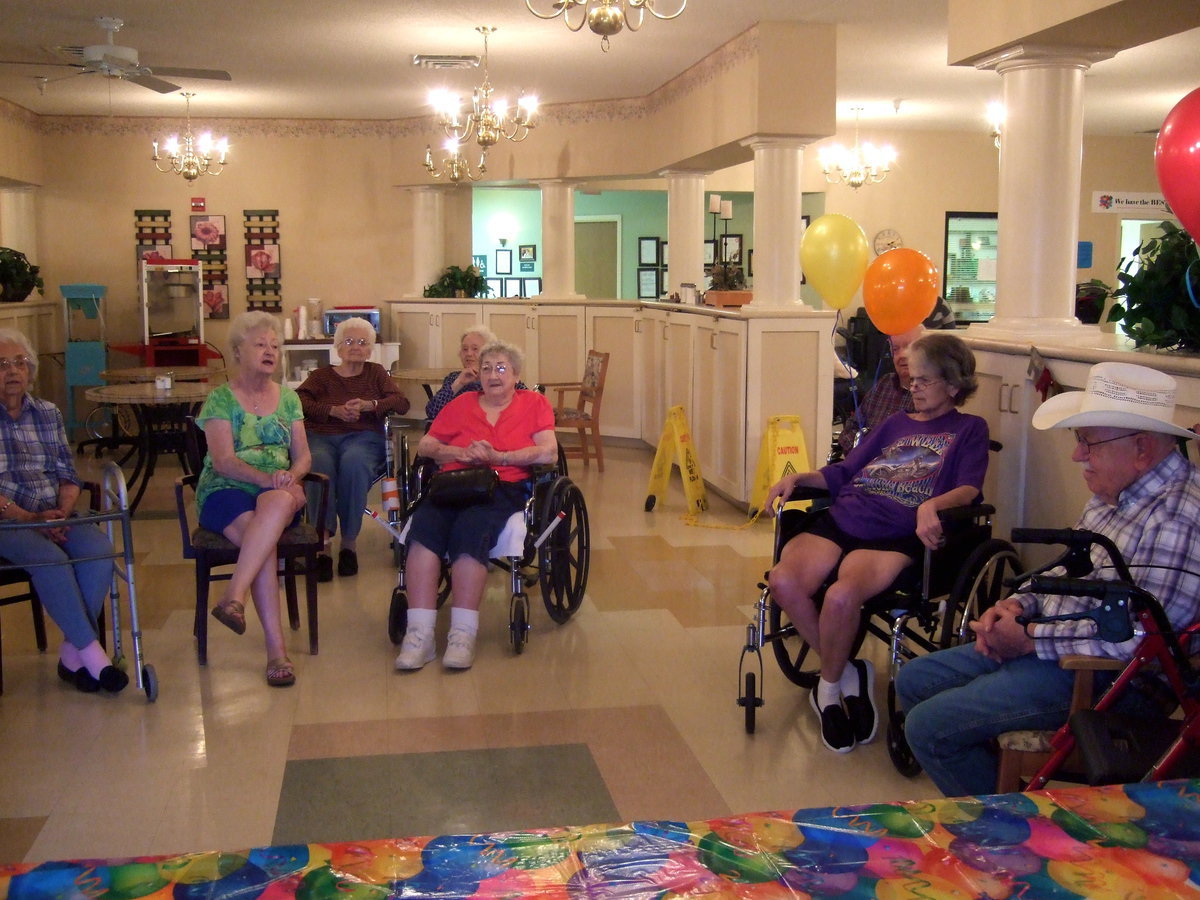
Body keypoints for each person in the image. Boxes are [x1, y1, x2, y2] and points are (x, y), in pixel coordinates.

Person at [897, 361, 1200, 797]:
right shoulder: (1116, 494)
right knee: (913, 682)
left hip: (1108, 679)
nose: (1078, 455)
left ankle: (1012, 833)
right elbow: (1069, 567)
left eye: (1088, 443)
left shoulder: (1175, 517)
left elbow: (1136, 638)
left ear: (1141, 448)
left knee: (928, 729)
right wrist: (1018, 605)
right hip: (1056, 645)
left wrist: (1029, 638)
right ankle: (993, 785)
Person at [765, 333, 989, 754]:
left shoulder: (969, 430)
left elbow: (970, 490)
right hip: (844, 515)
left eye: (925, 380)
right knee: (783, 582)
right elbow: (847, 469)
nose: (914, 387)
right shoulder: (895, 423)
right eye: (913, 380)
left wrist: (931, 506)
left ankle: (827, 691)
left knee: (840, 598)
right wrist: (798, 478)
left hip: (893, 534)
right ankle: (849, 672)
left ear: (954, 385)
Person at [396, 339, 557, 671]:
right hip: (453, 484)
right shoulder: (461, 403)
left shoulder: (534, 403)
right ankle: (419, 635)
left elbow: (548, 452)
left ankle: (462, 634)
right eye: (486, 368)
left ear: (516, 374)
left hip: (504, 486)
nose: (492, 374)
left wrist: (501, 457)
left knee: (472, 530)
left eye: (501, 368)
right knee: (424, 532)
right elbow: (426, 445)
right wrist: (460, 452)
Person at [0, 328, 128, 694]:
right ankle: (96, 661)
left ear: (31, 369)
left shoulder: (47, 413)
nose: (12, 371)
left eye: (19, 363)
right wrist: (27, 518)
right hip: (8, 522)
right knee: (50, 560)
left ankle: (72, 656)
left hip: (53, 514)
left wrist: (59, 511)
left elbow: (67, 476)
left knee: (100, 552)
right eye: (2, 365)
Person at [195, 312, 311, 688]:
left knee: (275, 508)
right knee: (262, 540)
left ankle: (233, 597)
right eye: (260, 344)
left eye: (275, 346)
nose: (269, 352)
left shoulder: (290, 398)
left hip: (277, 490)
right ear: (237, 352)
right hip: (226, 491)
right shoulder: (219, 400)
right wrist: (268, 479)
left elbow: (304, 456)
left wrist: (289, 477)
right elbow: (225, 461)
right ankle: (277, 653)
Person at [298, 317, 409, 581]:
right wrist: (332, 411)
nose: (356, 347)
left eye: (362, 342)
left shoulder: (376, 373)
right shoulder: (321, 376)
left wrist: (370, 405)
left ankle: (349, 543)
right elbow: (298, 400)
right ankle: (322, 545)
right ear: (338, 347)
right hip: (322, 437)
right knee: (319, 464)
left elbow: (401, 402)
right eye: (349, 341)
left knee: (354, 462)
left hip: (363, 439)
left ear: (370, 349)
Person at [837, 324, 923, 456]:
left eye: (910, 347)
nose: (902, 355)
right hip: (863, 467)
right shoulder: (884, 385)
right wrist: (863, 454)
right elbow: (850, 429)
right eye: (896, 349)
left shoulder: (929, 394)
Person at [425, 326, 528, 422]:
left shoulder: (505, 378)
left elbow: (530, 409)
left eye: (475, 349)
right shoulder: (454, 378)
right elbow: (432, 412)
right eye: (465, 349)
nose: (469, 354)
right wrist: (458, 383)